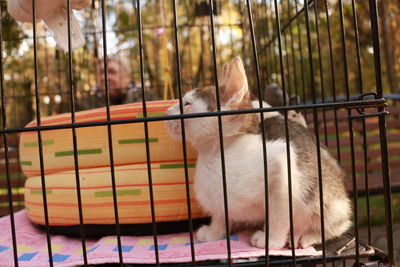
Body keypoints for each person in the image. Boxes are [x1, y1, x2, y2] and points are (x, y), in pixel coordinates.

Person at [78, 55, 158, 110]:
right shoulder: (85, 103)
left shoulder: (148, 98)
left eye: (112, 72)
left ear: (127, 76)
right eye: (102, 72)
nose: (104, 77)